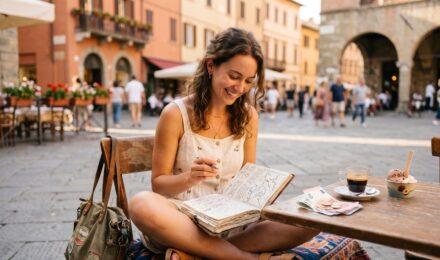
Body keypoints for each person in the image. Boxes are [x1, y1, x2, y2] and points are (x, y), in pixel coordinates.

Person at [128, 28, 317, 259]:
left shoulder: (249, 117)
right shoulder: (175, 114)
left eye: (249, 81)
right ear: (211, 66)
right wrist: (190, 177)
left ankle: (198, 253)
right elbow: (159, 185)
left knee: (313, 218)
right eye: (234, 76)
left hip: (231, 223)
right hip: (182, 220)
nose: (240, 88)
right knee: (141, 204)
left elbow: (248, 176)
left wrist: (263, 191)